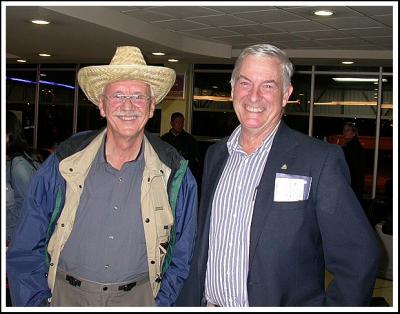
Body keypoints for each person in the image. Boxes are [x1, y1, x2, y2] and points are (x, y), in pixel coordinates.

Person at [176, 44, 381, 307]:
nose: (254, 96)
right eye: (245, 83)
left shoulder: (318, 161)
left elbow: (359, 255)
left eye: (268, 86)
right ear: (232, 89)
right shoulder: (216, 155)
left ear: (286, 94)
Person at [6, 46, 198, 307]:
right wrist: (35, 303)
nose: (128, 106)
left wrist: (161, 304)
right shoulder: (64, 162)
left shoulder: (174, 173)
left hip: (140, 299)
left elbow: (183, 255)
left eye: (138, 97)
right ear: (102, 105)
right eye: (117, 95)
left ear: (152, 107)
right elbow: (27, 243)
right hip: (65, 297)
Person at [6, 110, 41, 244]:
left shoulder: (19, 164)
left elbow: (27, 206)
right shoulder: (13, 161)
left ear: (9, 136)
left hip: (14, 238)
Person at [161, 112, 202, 183]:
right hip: (167, 175)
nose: (180, 125)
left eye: (182, 122)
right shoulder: (164, 139)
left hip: (185, 176)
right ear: (171, 123)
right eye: (177, 122)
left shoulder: (190, 140)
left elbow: (196, 160)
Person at [342, 121, 365, 203]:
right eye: (344, 130)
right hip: (356, 183)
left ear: (354, 133)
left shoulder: (352, 147)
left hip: (353, 183)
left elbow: (353, 167)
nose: (344, 132)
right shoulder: (353, 145)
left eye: (348, 130)